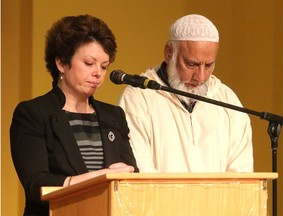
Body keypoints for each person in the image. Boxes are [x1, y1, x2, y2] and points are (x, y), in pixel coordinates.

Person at [10, 14, 138, 216]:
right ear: (61, 63)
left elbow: (131, 174)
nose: (98, 73)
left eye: (104, 66)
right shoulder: (33, 114)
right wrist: (99, 178)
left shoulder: (113, 116)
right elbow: (36, 184)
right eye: (89, 63)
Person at [118, 14, 253, 173]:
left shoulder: (227, 100)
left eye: (208, 65)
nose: (201, 77)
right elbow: (141, 171)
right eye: (191, 64)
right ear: (169, 53)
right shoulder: (139, 97)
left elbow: (241, 175)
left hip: (220, 198)